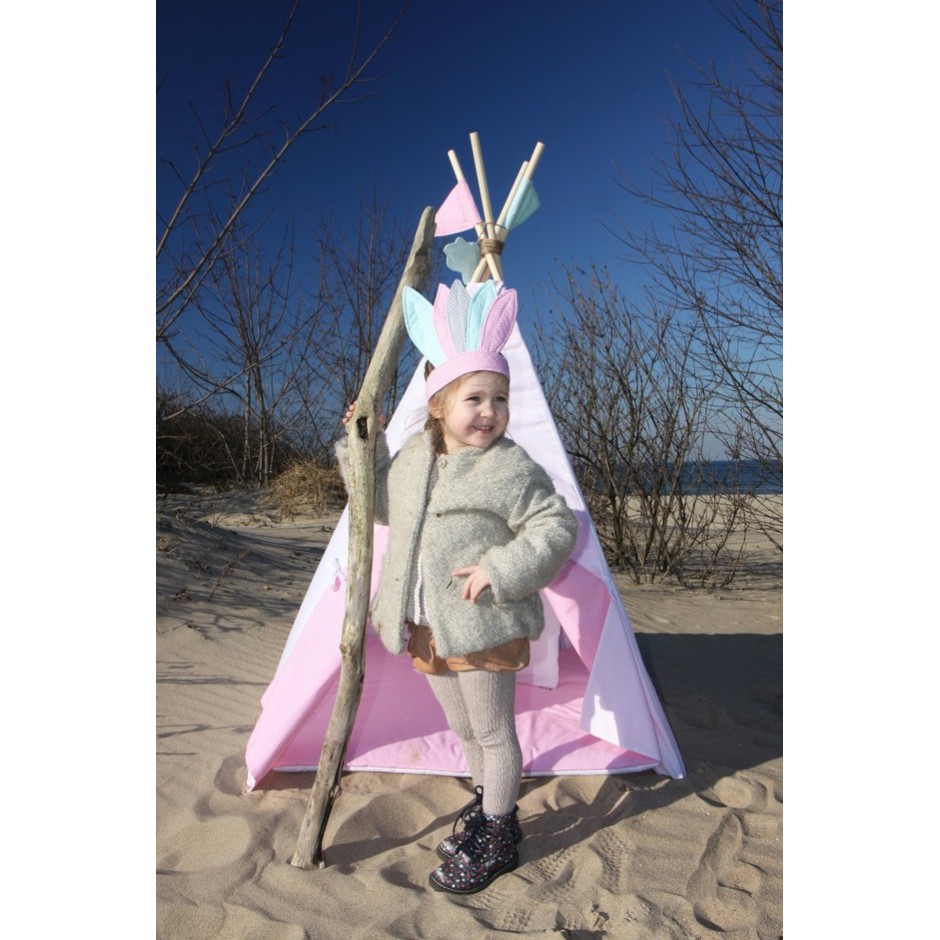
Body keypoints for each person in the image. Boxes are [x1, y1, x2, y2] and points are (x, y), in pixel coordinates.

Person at [336, 280, 578, 895]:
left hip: (484, 621)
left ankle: (497, 833)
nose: (490, 411)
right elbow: (379, 504)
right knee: (466, 730)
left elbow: (554, 525)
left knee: (494, 732)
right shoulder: (415, 459)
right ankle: (490, 805)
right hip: (426, 624)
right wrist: (362, 444)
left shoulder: (509, 466)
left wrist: (502, 568)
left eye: (500, 398)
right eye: (475, 398)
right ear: (439, 404)